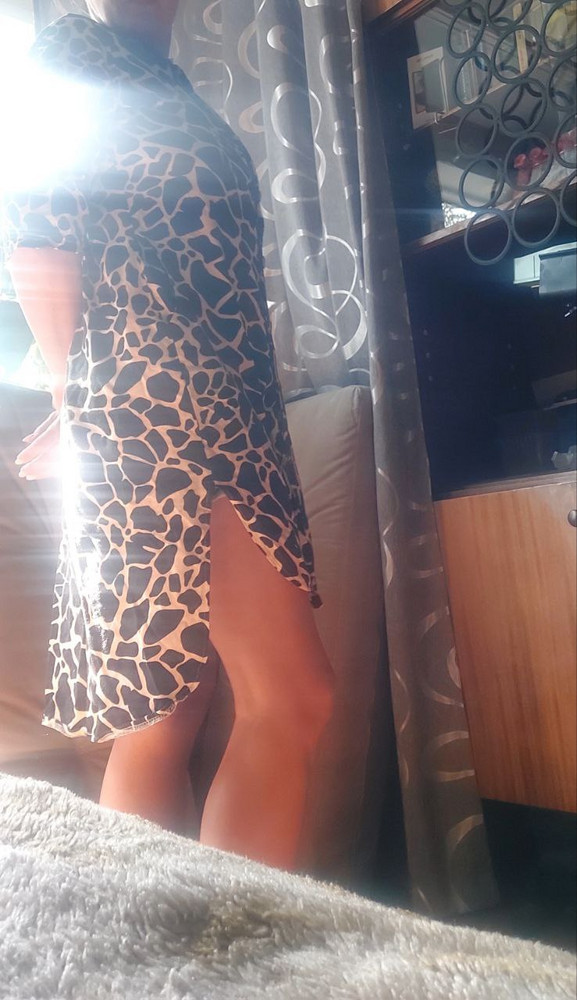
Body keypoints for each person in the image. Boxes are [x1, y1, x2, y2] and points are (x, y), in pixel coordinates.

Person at [5, 0, 334, 870]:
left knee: (166, 706)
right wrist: (81, 401)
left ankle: (142, 937)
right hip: (168, 404)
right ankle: (234, 944)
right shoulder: (76, 52)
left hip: (206, 403)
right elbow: (39, 235)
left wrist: (87, 404)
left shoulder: (159, 76)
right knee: (290, 698)